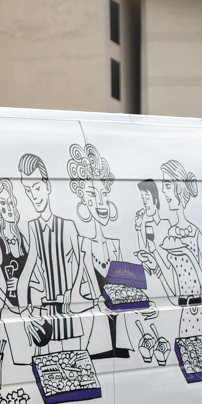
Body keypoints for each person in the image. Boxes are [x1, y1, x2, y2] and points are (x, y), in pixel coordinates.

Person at [67, 143, 132, 359]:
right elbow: (73, 300)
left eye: (104, 194)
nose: (101, 203)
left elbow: (129, 293)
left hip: (122, 339)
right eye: (92, 194)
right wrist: (94, 300)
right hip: (96, 339)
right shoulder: (81, 246)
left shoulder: (116, 245)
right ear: (83, 200)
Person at [16, 153, 85, 354]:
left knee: (75, 363)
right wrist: (24, 312)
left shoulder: (68, 225)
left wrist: (73, 293)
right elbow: (26, 272)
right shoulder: (33, 227)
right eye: (28, 190)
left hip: (69, 311)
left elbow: (82, 265)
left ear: (48, 186)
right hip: (46, 314)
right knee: (49, 366)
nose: (33, 196)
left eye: (37, 188)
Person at [157, 159, 202, 338]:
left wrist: (188, 253)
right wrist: (155, 261)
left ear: (179, 188)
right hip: (182, 315)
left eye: (167, 185)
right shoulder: (171, 233)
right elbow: (173, 291)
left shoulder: (195, 234)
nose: (163, 191)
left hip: (199, 314)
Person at [0, 177, 33, 364]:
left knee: (36, 364)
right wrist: (10, 305)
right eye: (3, 204)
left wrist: (22, 282)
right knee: (22, 362)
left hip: (30, 310)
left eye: (11, 202)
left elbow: (39, 277)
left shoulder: (23, 239)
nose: (9, 208)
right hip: (12, 312)